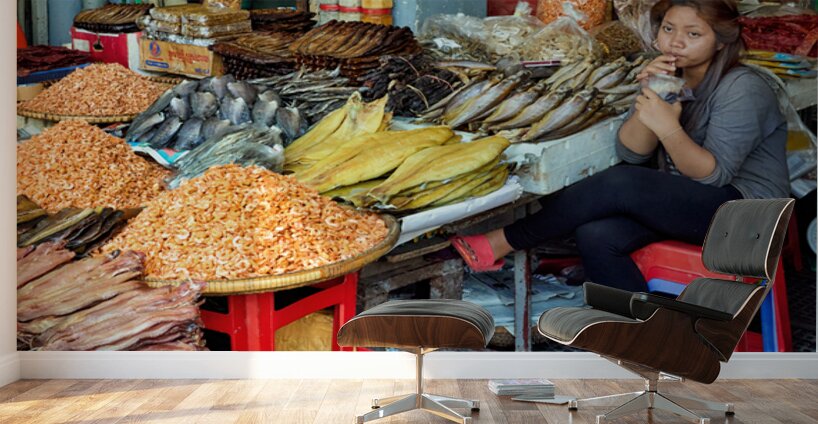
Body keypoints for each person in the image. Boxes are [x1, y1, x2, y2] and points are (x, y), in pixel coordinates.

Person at [451, 0, 790, 292]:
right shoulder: (671, 75)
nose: (676, 42)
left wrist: (668, 127)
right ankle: (637, 331)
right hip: (695, 205)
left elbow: (712, 176)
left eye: (693, 34)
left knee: (621, 182)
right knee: (596, 234)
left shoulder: (742, 88)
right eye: (668, 29)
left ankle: (506, 240)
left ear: (720, 41)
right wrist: (652, 95)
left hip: (747, 218)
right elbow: (633, 152)